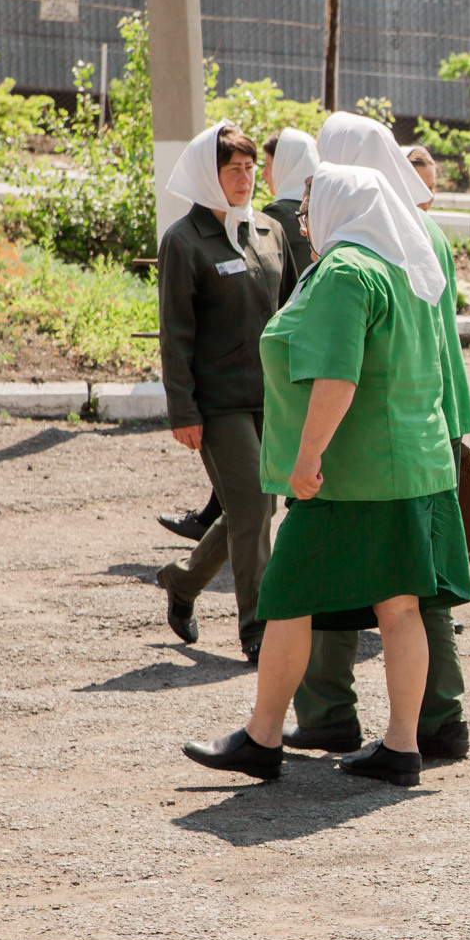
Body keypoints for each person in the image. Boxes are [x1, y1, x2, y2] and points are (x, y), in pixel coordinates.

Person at [182, 163, 468, 788]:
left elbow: (338, 374)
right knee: (400, 609)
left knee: (286, 599)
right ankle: (399, 748)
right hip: (410, 468)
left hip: (351, 475)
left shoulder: (345, 271)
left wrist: (306, 456)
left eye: (311, 206)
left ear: (340, 208)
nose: (304, 220)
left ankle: (262, 739)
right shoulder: (402, 266)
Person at [281, 113, 470, 761]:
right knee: (420, 585)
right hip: (435, 419)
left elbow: (340, 353)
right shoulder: (421, 230)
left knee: (333, 576)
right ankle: (439, 716)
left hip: (373, 435)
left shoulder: (359, 244)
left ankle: (328, 709)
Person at [154, 122, 290, 662]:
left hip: (270, 397)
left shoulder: (267, 232)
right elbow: (175, 332)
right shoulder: (184, 241)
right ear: (205, 175)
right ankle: (257, 629)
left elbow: (287, 311)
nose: (245, 176)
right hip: (218, 401)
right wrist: (182, 408)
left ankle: (184, 584)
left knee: (252, 508)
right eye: (231, 168)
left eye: (250, 166)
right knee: (254, 504)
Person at [262, 127, 319, 300]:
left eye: (268, 165)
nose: (263, 174)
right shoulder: (324, 209)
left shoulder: (276, 215)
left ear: (284, 165)